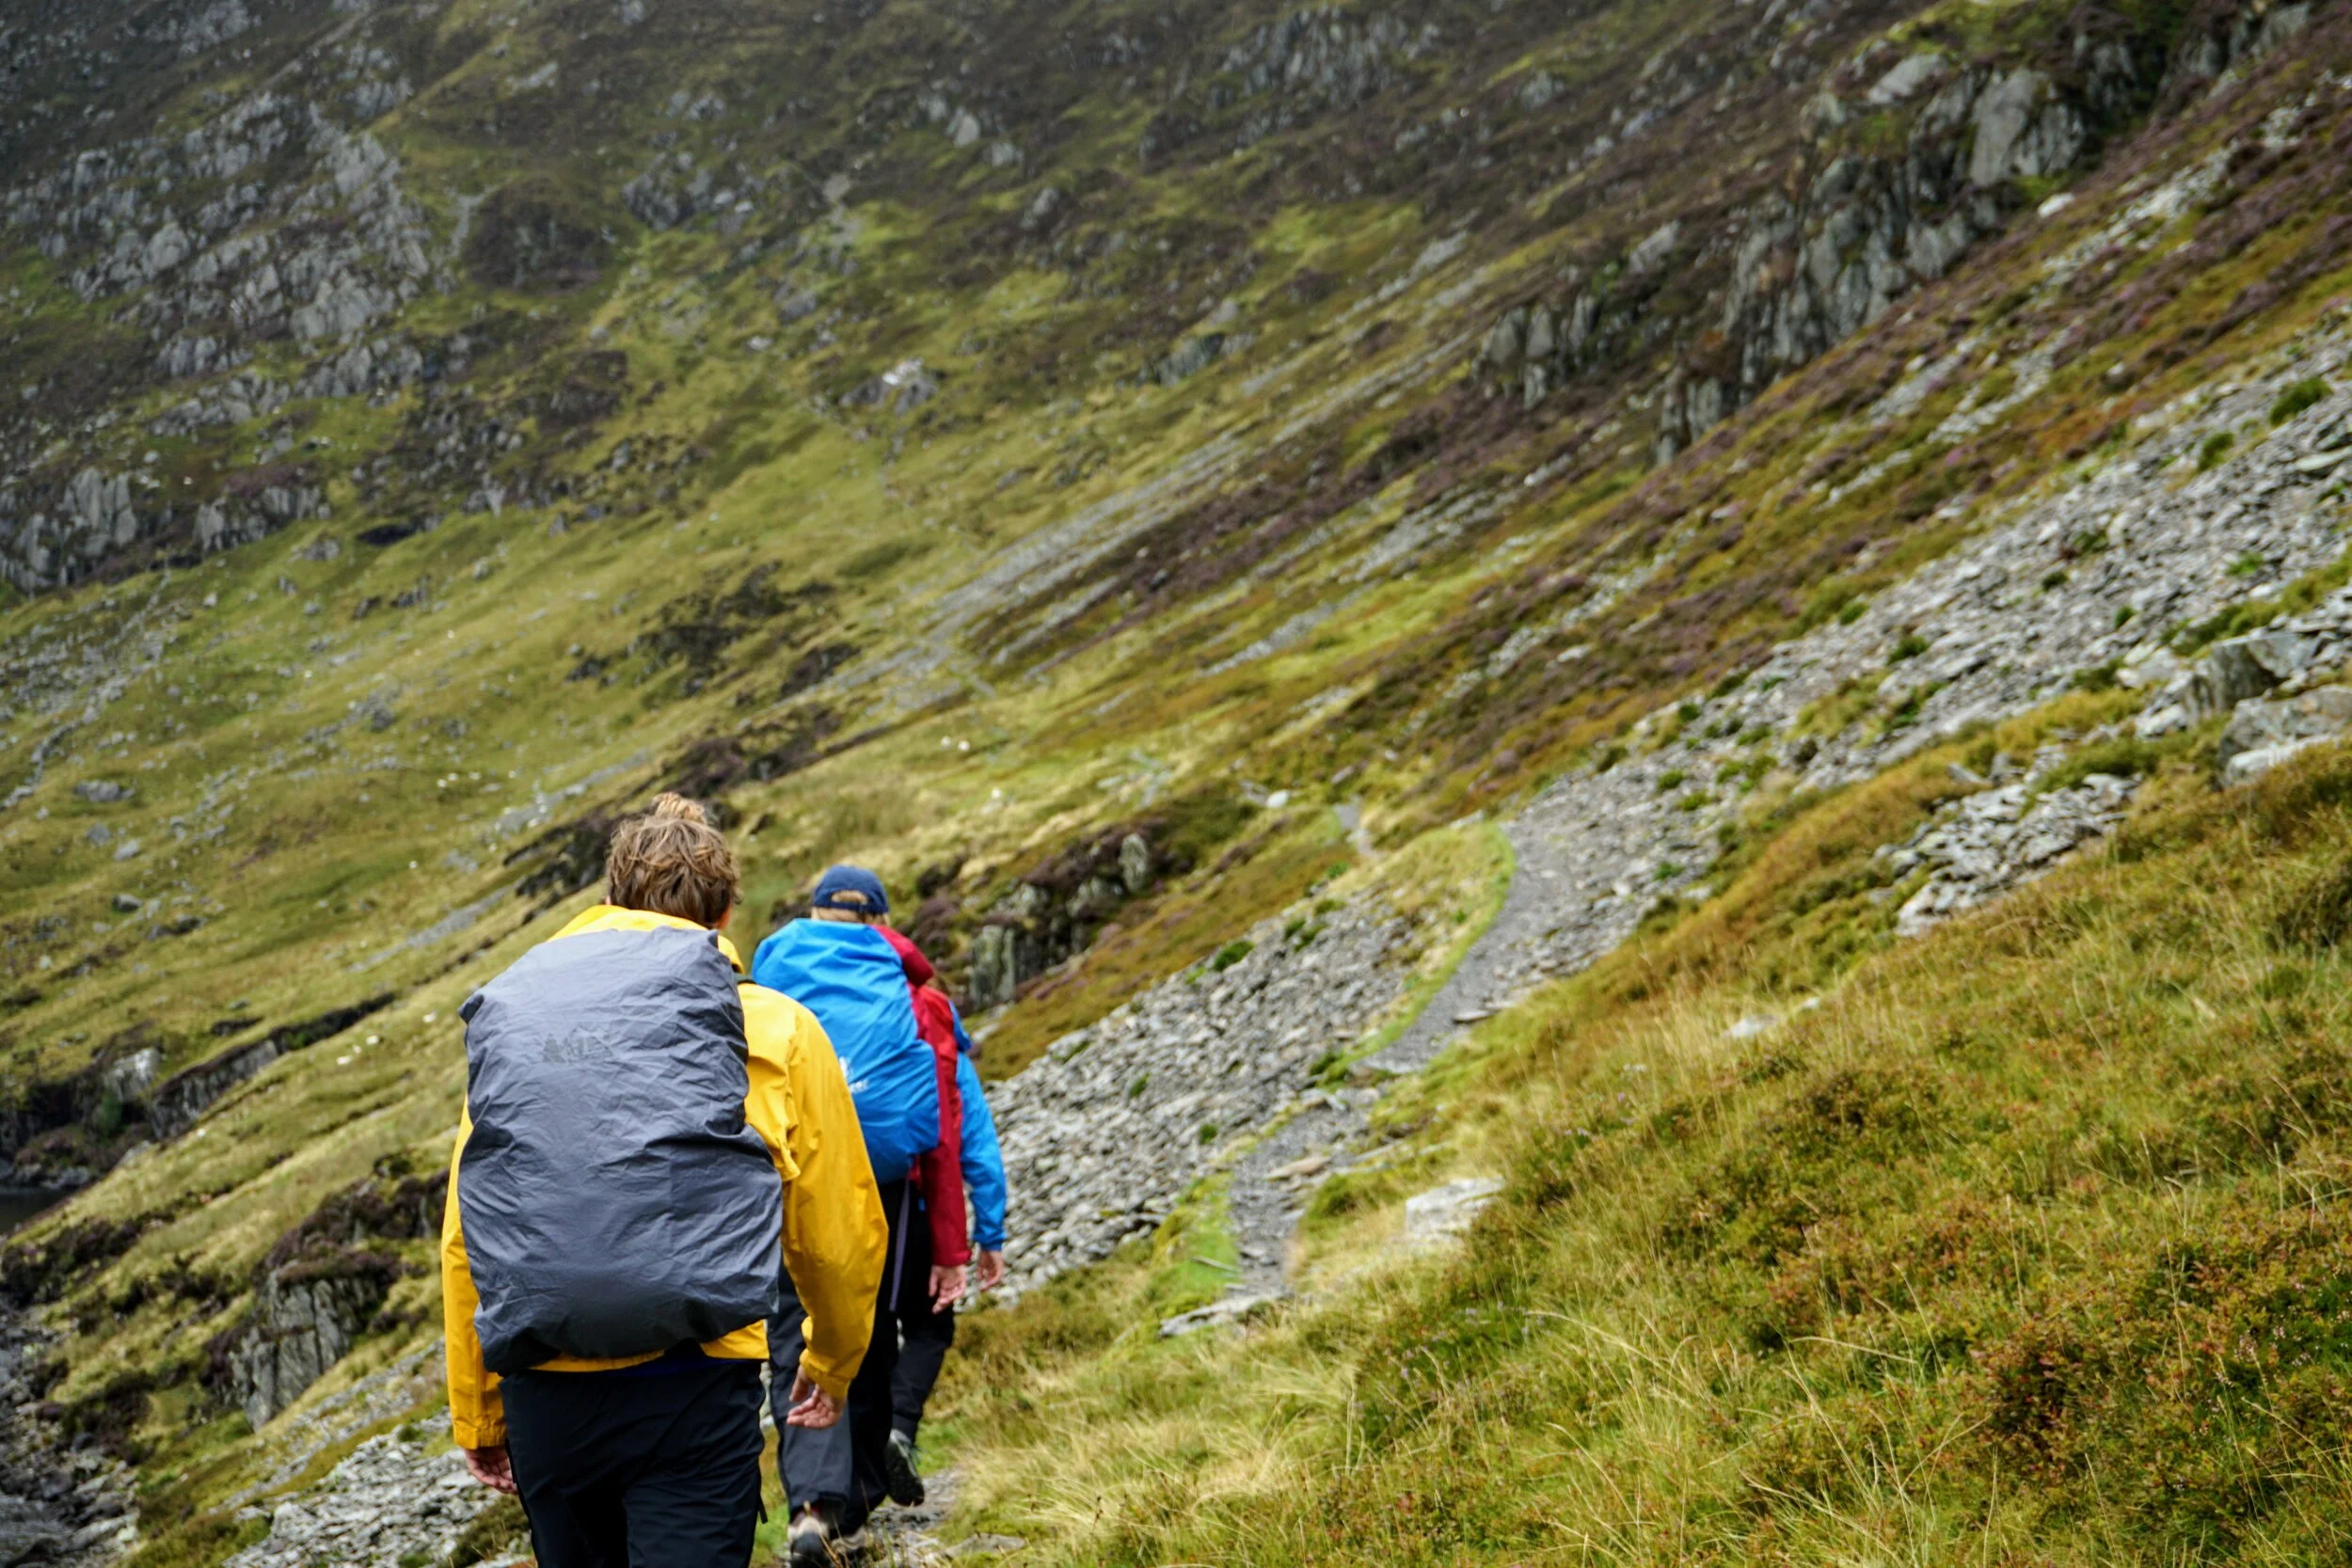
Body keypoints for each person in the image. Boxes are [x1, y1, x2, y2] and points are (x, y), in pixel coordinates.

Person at [441, 795, 887, 1568]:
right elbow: (837, 1227)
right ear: (721, 914)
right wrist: (830, 1361)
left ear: (610, 902)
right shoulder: (777, 1027)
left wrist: (478, 1412)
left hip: (546, 1392)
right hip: (697, 1381)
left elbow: (467, 1230)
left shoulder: (519, 1022)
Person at [752, 867, 969, 1566]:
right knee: (864, 1327)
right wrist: (956, 1240)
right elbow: (941, 1120)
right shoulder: (905, 983)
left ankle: (812, 1506)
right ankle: (859, 1496)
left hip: (788, 1169)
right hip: (879, 1175)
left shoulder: (773, 965)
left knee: (796, 1329)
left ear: (813, 911)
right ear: (878, 917)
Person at [881, 993, 1008, 1506]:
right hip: (923, 1211)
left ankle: (838, 1486)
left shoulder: (848, 1047)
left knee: (861, 1338)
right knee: (931, 1326)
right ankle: (900, 1429)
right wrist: (990, 1235)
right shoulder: (943, 1053)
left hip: (851, 1207)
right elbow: (977, 1148)